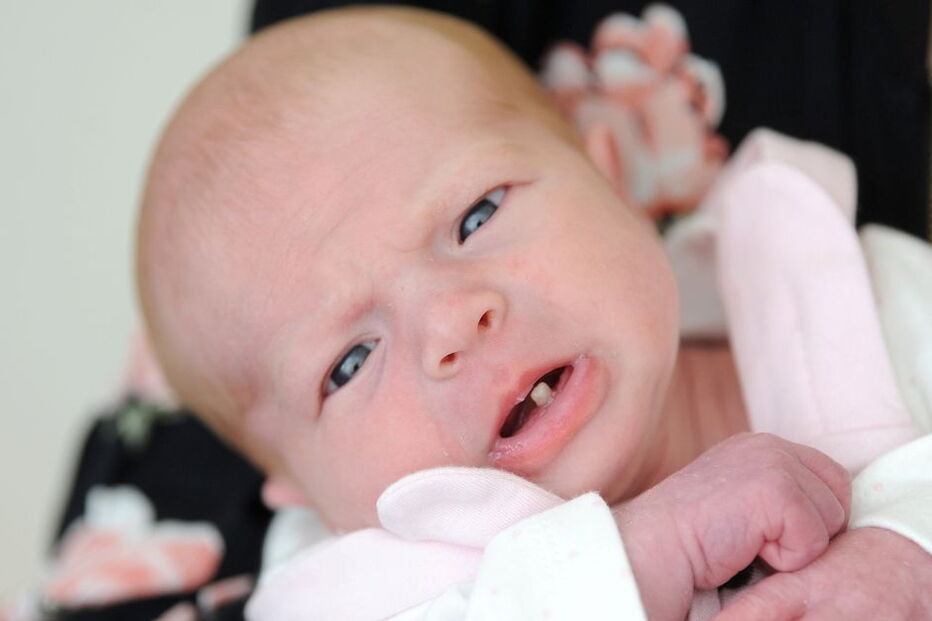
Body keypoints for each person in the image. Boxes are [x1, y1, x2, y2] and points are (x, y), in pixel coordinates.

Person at [135, 6, 932, 618]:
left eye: (476, 216)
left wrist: (908, 551)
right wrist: (640, 556)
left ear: (611, 177)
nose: (450, 323)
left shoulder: (843, 287)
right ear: (297, 487)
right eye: (349, 362)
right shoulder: (354, 589)